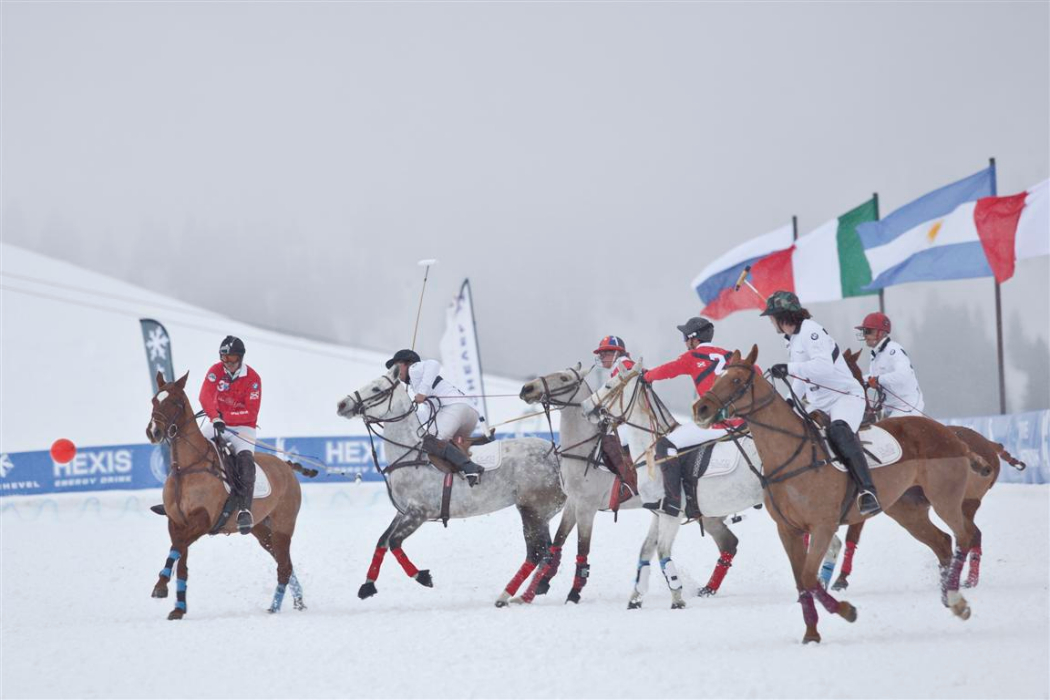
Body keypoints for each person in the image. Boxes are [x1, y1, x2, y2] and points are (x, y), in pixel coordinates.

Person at [762, 291, 881, 516]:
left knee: (840, 431)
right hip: (818, 402)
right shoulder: (792, 339)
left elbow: (822, 367)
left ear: (783, 316)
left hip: (844, 396)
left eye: (772, 317)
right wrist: (788, 403)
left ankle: (868, 491)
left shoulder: (811, 331)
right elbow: (801, 377)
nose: (771, 322)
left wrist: (789, 368)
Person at [640, 317, 741, 519]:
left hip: (715, 425)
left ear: (694, 338)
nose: (685, 341)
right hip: (742, 422)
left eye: (686, 337)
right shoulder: (729, 355)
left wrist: (647, 376)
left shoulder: (693, 356)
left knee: (665, 445)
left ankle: (673, 501)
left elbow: (667, 371)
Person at [385, 349, 485, 486]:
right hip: (469, 414)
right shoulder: (417, 383)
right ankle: (479, 450)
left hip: (455, 408)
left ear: (408, 363)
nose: (395, 371)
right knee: (441, 444)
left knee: (431, 441)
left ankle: (471, 468)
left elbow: (434, 364)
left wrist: (422, 393)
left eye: (396, 366)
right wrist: (406, 415)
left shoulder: (415, 369)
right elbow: (428, 414)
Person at [200, 335, 261, 534]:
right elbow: (205, 396)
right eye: (224, 358)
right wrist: (214, 416)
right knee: (192, 446)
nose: (227, 363)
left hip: (243, 428)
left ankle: (244, 510)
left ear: (240, 358)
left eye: (232, 358)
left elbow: (251, 412)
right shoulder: (215, 371)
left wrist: (222, 416)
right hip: (218, 423)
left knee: (245, 462)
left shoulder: (253, 379)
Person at [592, 335, 637, 508]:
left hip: (633, 421)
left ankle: (630, 483)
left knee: (610, 441)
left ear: (616, 353)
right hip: (627, 418)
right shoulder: (619, 367)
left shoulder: (624, 365)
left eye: (605, 353)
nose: (602, 357)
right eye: (600, 354)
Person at [855, 312, 925, 418]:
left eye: (868, 331)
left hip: (907, 407)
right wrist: (858, 380)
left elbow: (903, 375)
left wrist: (878, 380)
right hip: (890, 408)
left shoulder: (893, 350)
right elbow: (874, 377)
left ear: (881, 333)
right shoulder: (875, 353)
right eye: (864, 331)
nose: (865, 335)